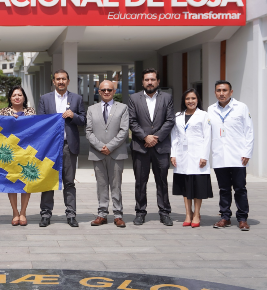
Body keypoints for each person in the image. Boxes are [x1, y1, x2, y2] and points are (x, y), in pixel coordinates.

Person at [38, 69, 86, 228]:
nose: (60, 82)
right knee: (48, 181)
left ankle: (71, 214)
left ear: (68, 81)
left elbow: (84, 120)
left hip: (68, 146)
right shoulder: (45, 99)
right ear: (53, 81)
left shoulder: (77, 99)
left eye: (63, 79)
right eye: (58, 79)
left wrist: (73, 115)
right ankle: (45, 214)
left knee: (69, 182)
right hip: (50, 147)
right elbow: (40, 121)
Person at [128, 68, 175, 226]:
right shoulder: (134, 98)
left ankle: (164, 212)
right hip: (140, 147)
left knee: (162, 180)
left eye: (152, 79)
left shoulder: (167, 98)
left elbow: (170, 120)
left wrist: (156, 138)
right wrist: (144, 137)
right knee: (140, 181)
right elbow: (132, 121)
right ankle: (140, 212)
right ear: (142, 82)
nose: (149, 82)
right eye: (147, 80)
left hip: (161, 147)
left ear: (158, 81)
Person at [208, 80, 253, 231]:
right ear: (215, 92)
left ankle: (242, 218)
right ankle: (225, 217)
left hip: (238, 156)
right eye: (218, 90)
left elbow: (249, 131)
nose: (221, 93)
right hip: (220, 156)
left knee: (240, 188)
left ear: (231, 92)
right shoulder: (210, 110)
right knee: (224, 189)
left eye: (224, 90)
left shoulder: (241, 107)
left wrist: (247, 152)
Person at [86, 80, 129, 228]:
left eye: (109, 90)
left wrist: (110, 146)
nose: (106, 92)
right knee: (101, 185)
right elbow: (88, 131)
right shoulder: (91, 109)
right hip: (98, 153)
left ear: (114, 91)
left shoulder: (123, 108)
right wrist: (100, 146)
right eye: (103, 90)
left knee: (116, 185)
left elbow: (124, 131)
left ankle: (118, 215)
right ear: (99, 91)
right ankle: (102, 214)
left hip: (116, 153)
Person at [170, 89, 213, 228]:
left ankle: (196, 214)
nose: (190, 101)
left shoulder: (204, 115)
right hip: (182, 156)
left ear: (197, 100)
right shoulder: (178, 116)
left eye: (193, 98)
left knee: (197, 186)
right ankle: (188, 214)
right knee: (185, 186)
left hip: (198, 155)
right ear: (184, 101)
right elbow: (174, 137)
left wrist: (204, 156)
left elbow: (207, 137)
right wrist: (173, 154)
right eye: (188, 99)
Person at [0, 85, 36, 226]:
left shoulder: (30, 111)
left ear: (24, 97)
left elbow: (34, 129)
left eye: (20, 95)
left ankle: (23, 213)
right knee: (12, 182)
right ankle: (15, 212)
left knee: (26, 182)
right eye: (14, 95)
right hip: (10, 152)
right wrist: (9, 121)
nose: (17, 97)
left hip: (26, 151)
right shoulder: (3, 111)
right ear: (10, 98)